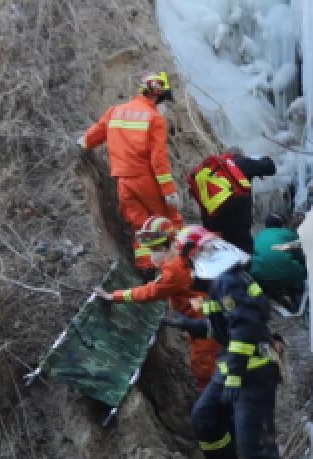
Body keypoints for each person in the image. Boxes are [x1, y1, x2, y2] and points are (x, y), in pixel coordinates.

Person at [170, 226, 294, 459]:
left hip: (254, 374)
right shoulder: (220, 280)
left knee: (256, 444)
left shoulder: (229, 281)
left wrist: (236, 376)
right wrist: (190, 326)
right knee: (205, 417)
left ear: (196, 255)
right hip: (233, 369)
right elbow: (223, 327)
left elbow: (246, 331)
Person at [94, 216, 222, 391]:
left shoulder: (174, 271)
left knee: (204, 364)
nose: (152, 254)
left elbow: (150, 292)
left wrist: (114, 296)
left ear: (167, 244)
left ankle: (214, 400)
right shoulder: (184, 251)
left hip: (202, 319)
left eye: (154, 249)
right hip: (207, 312)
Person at [79, 71, 182, 234]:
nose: (165, 106)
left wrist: (81, 143)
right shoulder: (155, 119)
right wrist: (168, 191)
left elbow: (93, 136)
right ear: (157, 95)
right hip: (145, 179)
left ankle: (146, 260)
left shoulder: (115, 111)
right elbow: (158, 159)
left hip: (123, 183)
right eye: (164, 100)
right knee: (168, 224)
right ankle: (176, 259)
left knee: (140, 227)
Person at [186, 151, 277, 253]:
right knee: (244, 256)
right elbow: (270, 167)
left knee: (221, 257)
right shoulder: (240, 162)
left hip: (213, 224)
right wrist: (258, 159)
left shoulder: (210, 169)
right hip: (237, 223)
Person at [249, 212, 306, 306]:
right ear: (282, 225)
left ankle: (271, 292)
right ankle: (296, 295)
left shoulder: (259, 235)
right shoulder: (288, 234)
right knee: (304, 271)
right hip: (287, 277)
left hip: (261, 278)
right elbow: (301, 255)